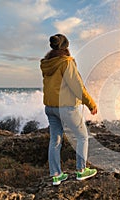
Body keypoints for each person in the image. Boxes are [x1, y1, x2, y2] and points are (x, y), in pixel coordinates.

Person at [40, 33, 97, 186]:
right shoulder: (66, 62)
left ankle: (56, 176)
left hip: (50, 107)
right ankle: (81, 171)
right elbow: (77, 87)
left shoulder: (46, 64)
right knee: (82, 137)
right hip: (66, 107)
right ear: (66, 46)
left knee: (55, 140)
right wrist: (91, 104)